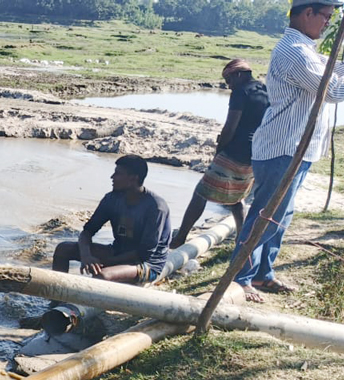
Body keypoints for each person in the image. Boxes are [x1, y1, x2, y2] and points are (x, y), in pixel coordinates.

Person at [233, 0, 344, 302]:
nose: (327, 23)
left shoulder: (307, 50)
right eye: (326, 17)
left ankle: (262, 273)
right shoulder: (294, 52)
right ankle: (238, 279)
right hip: (283, 148)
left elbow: (333, 70)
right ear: (308, 13)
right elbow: (333, 91)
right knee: (266, 215)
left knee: (281, 216)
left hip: (298, 149)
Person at [171, 59, 269, 249]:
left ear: (239, 75)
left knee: (200, 193)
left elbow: (230, 126)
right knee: (236, 197)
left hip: (234, 151)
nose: (229, 86)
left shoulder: (241, 92)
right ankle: (241, 239)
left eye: (228, 80)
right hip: (254, 153)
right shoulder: (264, 90)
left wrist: (219, 150)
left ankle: (181, 237)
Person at [52, 154, 171, 285]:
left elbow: (144, 253)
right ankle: (56, 300)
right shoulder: (111, 199)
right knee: (63, 249)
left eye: (118, 174)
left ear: (133, 178)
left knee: (102, 275)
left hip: (146, 264)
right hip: (118, 252)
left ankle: (88, 303)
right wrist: (86, 256)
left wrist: (105, 263)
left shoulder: (156, 207)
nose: (112, 177)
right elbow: (87, 232)